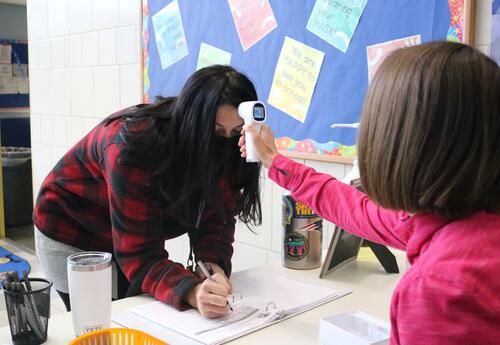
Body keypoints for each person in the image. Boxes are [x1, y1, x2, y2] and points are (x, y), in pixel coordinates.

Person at [239, 42, 500, 344]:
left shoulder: (437, 288)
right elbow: (354, 208)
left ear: (399, 146)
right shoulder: (463, 225)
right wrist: (273, 160)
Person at [34, 65, 262, 318]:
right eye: (217, 130)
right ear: (192, 121)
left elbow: (215, 214)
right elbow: (140, 255)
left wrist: (211, 265)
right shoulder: (132, 145)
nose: (226, 141)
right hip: (73, 229)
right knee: (98, 321)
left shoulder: (228, 146)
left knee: (137, 313)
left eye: (236, 132)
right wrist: (191, 291)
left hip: (126, 235)